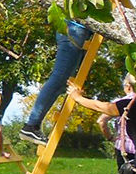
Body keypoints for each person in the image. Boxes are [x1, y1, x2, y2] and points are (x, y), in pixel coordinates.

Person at [19, 9, 90, 147]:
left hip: (74, 31)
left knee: (62, 82)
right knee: (58, 78)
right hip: (73, 30)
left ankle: (33, 126)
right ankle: (31, 126)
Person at [98, 75, 136, 174]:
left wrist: (110, 137)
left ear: (127, 87)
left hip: (124, 147)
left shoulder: (121, 103)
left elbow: (101, 121)